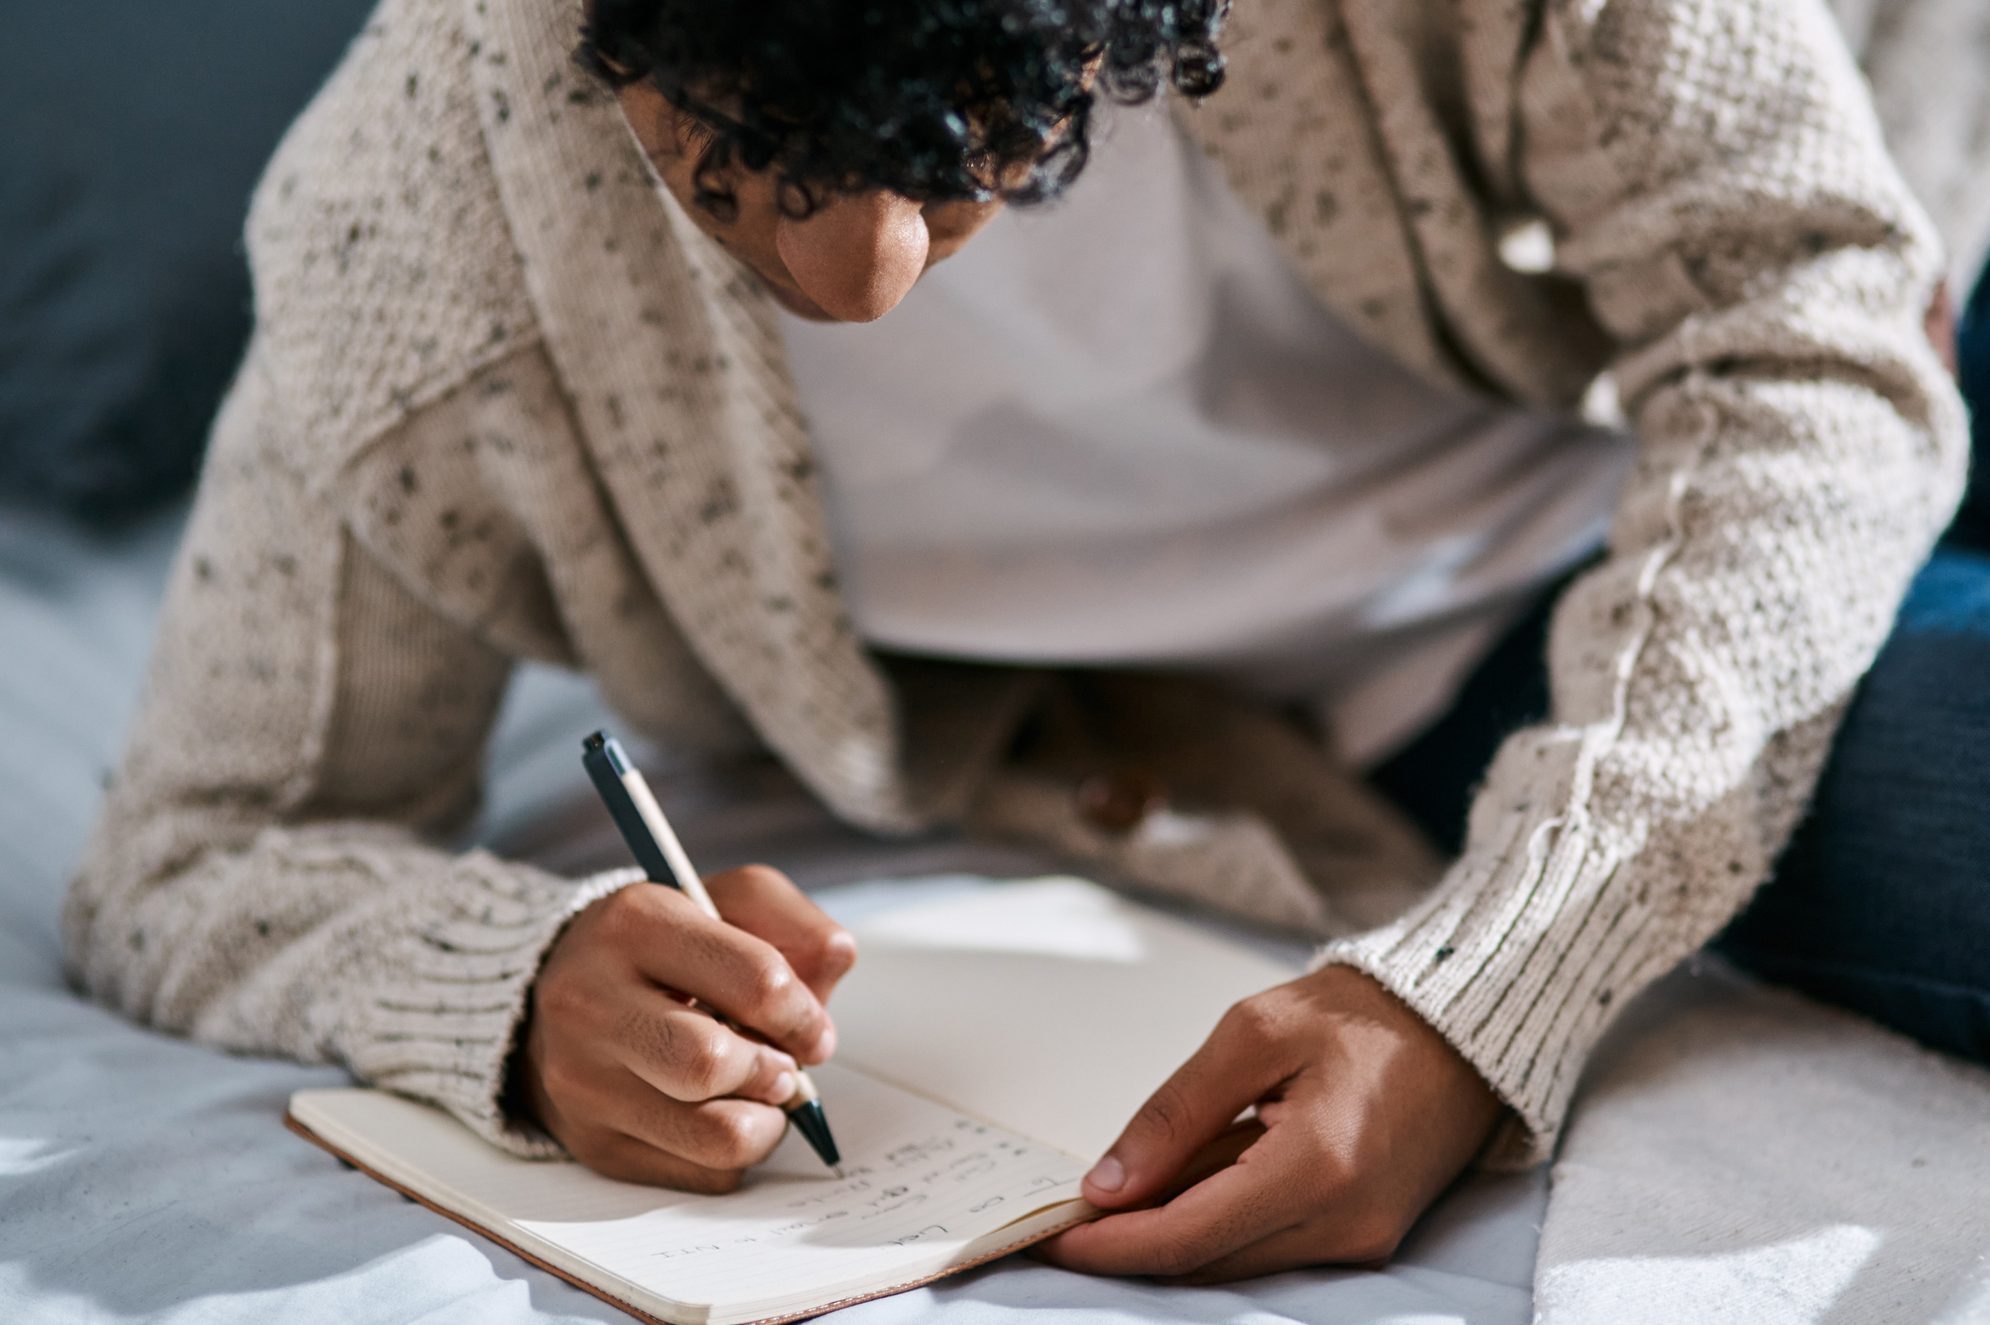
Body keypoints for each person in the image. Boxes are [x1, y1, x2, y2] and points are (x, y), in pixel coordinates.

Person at [68, 0, 1987, 1283]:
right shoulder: (417, 219)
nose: (858, 275)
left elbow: (1806, 308)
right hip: (1469, 651)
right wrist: (506, 985)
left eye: (983, 142)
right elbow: (189, 853)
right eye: (726, 165)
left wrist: (1495, 976)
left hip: (1772, 375)